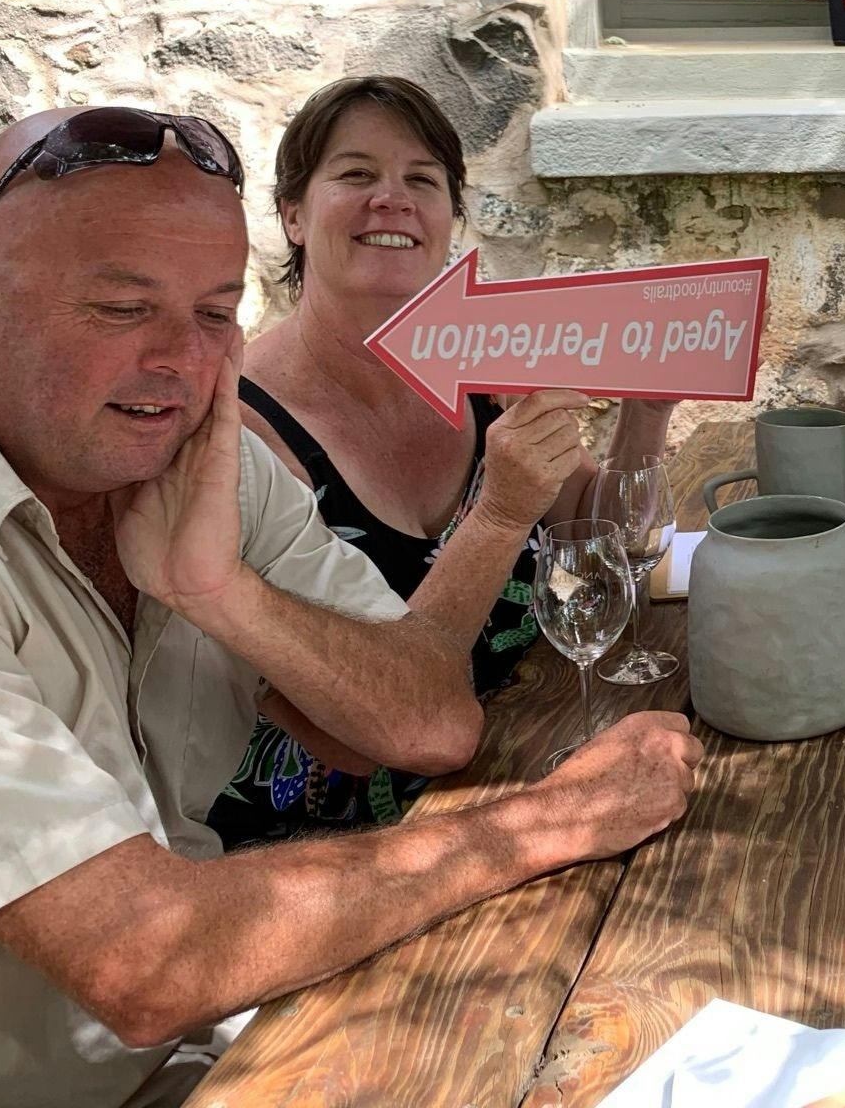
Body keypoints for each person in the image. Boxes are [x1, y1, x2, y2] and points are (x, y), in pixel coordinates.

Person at [0, 106, 702, 1108]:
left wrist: (222, 594)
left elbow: (426, 720)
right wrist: (551, 819)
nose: (177, 363)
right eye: (121, 309)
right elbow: (149, 962)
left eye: (211, 314)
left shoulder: (201, 454)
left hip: (214, 1043)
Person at [209, 76, 675, 845]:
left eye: (421, 180)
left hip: (529, 751)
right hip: (342, 843)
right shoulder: (247, 432)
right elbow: (365, 723)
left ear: (450, 220)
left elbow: (604, 548)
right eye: (355, 174)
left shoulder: (489, 365)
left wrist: (645, 420)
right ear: (293, 214)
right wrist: (498, 511)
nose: (391, 198)